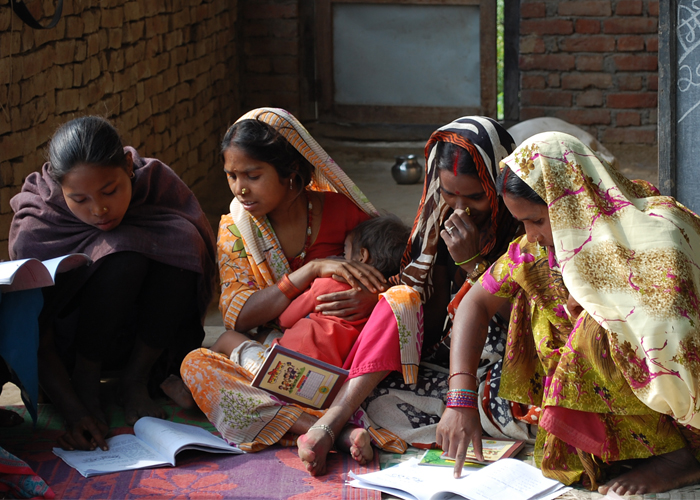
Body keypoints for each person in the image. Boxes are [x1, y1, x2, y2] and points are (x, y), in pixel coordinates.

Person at [436, 131, 700, 495]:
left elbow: (673, 319)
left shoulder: (652, 221)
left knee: (595, 330)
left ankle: (677, 457)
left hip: (673, 385)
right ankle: (621, 447)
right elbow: (476, 303)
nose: (531, 235)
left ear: (569, 204)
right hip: (603, 389)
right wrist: (460, 397)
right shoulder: (535, 252)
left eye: (537, 221)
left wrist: (604, 308)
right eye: (522, 223)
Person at [179, 108, 421, 477]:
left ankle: (327, 418)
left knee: (404, 302)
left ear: (290, 173)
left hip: (348, 365)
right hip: (279, 354)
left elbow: (400, 270)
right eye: (232, 176)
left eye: (253, 175)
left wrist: (375, 298)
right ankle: (327, 429)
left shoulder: (342, 211)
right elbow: (239, 317)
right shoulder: (238, 231)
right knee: (195, 364)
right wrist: (310, 271)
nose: (240, 188)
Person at [9, 116, 216, 452]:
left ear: (129, 166)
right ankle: (86, 381)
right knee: (123, 257)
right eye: (80, 199)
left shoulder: (156, 186)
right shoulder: (38, 225)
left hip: (138, 334)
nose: (99, 209)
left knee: (179, 241)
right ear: (60, 189)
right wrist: (73, 409)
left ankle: (136, 377)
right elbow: (34, 330)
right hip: (67, 348)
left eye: (110, 191)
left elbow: (192, 255)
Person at [360, 116, 534, 448]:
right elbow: (434, 323)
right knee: (376, 395)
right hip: (461, 366)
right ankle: (464, 416)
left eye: (474, 197)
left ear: (499, 183)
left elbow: (529, 320)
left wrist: (473, 265)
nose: (459, 208)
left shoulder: (526, 223)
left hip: (514, 363)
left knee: (537, 408)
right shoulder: (438, 225)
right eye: (449, 193)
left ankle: (466, 415)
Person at [208, 214, 410, 367]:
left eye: (345, 249)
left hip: (285, 368)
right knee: (261, 338)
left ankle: (192, 387)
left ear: (361, 256)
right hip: (329, 380)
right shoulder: (384, 300)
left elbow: (285, 320)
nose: (339, 255)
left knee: (228, 339)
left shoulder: (327, 283)